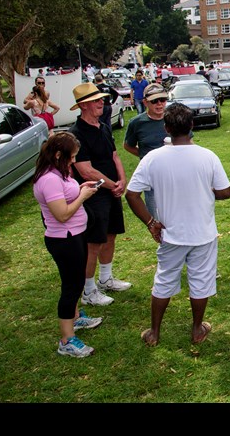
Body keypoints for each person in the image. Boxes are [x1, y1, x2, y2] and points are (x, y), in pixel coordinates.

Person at [125, 103, 230, 347]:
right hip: (202, 233)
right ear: (192, 126)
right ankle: (196, 329)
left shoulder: (153, 158)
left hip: (169, 233)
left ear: (166, 128)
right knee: (201, 281)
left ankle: (154, 332)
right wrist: (204, 190)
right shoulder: (207, 156)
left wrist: (151, 222)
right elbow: (225, 192)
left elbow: (132, 194)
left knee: (164, 279)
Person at [33, 132, 104, 358]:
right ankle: (66, 339)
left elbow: (66, 197)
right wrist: (82, 196)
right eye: (71, 157)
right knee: (71, 287)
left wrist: (82, 187)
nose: (74, 161)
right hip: (64, 239)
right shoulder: (49, 179)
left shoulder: (59, 173)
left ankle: (75, 318)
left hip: (74, 235)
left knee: (75, 281)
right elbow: (62, 214)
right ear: (57, 155)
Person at [68, 83, 130, 307]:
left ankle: (106, 278)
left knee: (111, 234)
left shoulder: (103, 126)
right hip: (94, 195)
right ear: (83, 105)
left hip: (111, 190)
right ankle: (88, 290)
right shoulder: (76, 134)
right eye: (96, 100)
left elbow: (115, 156)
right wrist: (114, 184)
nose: (101, 102)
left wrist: (122, 180)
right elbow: (86, 170)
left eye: (101, 99)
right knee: (93, 242)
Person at [124, 83, 171, 220]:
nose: (159, 104)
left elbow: (188, 142)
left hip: (173, 172)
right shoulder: (137, 122)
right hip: (151, 176)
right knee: (156, 217)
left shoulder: (173, 118)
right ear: (145, 102)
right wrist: (145, 156)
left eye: (162, 100)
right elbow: (128, 145)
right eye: (154, 101)